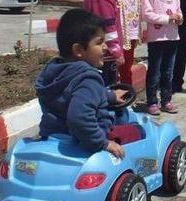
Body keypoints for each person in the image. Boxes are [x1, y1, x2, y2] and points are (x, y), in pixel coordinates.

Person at [35, 9, 126, 157]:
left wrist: (111, 96)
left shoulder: (56, 71)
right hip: (86, 141)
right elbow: (79, 118)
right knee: (135, 131)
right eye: (99, 42)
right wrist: (103, 143)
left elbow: (75, 93)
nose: (105, 47)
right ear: (78, 50)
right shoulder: (88, 79)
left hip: (52, 135)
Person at [142, 0, 183, 115]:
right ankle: (152, 101)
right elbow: (147, 15)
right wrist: (167, 19)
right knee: (155, 71)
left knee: (168, 71)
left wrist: (179, 18)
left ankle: (166, 100)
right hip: (156, 40)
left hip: (172, 38)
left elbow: (179, 11)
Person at [83, 0, 124, 86]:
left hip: (100, 50)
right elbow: (108, 25)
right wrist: (116, 51)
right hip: (105, 54)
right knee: (108, 87)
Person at [114, 0, 142, 85]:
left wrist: (138, 35)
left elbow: (138, 14)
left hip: (131, 37)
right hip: (119, 37)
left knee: (127, 66)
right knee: (118, 66)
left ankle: (127, 92)